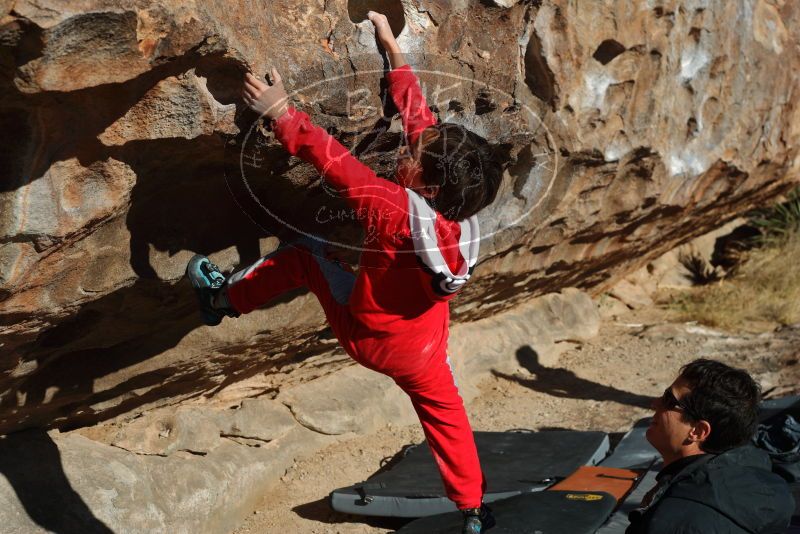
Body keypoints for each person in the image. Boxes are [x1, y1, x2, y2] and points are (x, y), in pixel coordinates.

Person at [186, 12, 502, 534]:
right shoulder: (463, 214)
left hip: (367, 334)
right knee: (447, 418)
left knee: (306, 254)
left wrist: (281, 111)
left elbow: (334, 161)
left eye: (413, 155)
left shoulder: (392, 208)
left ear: (425, 184)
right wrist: (392, 51)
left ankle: (222, 300)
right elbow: (421, 122)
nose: (408, 147)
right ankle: (472, 509)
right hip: (423, 346)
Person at [626, 358, 794, 534]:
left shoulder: (670, 520)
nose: (655, 403)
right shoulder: (760, 475)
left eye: (669, 400)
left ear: (698, 431)